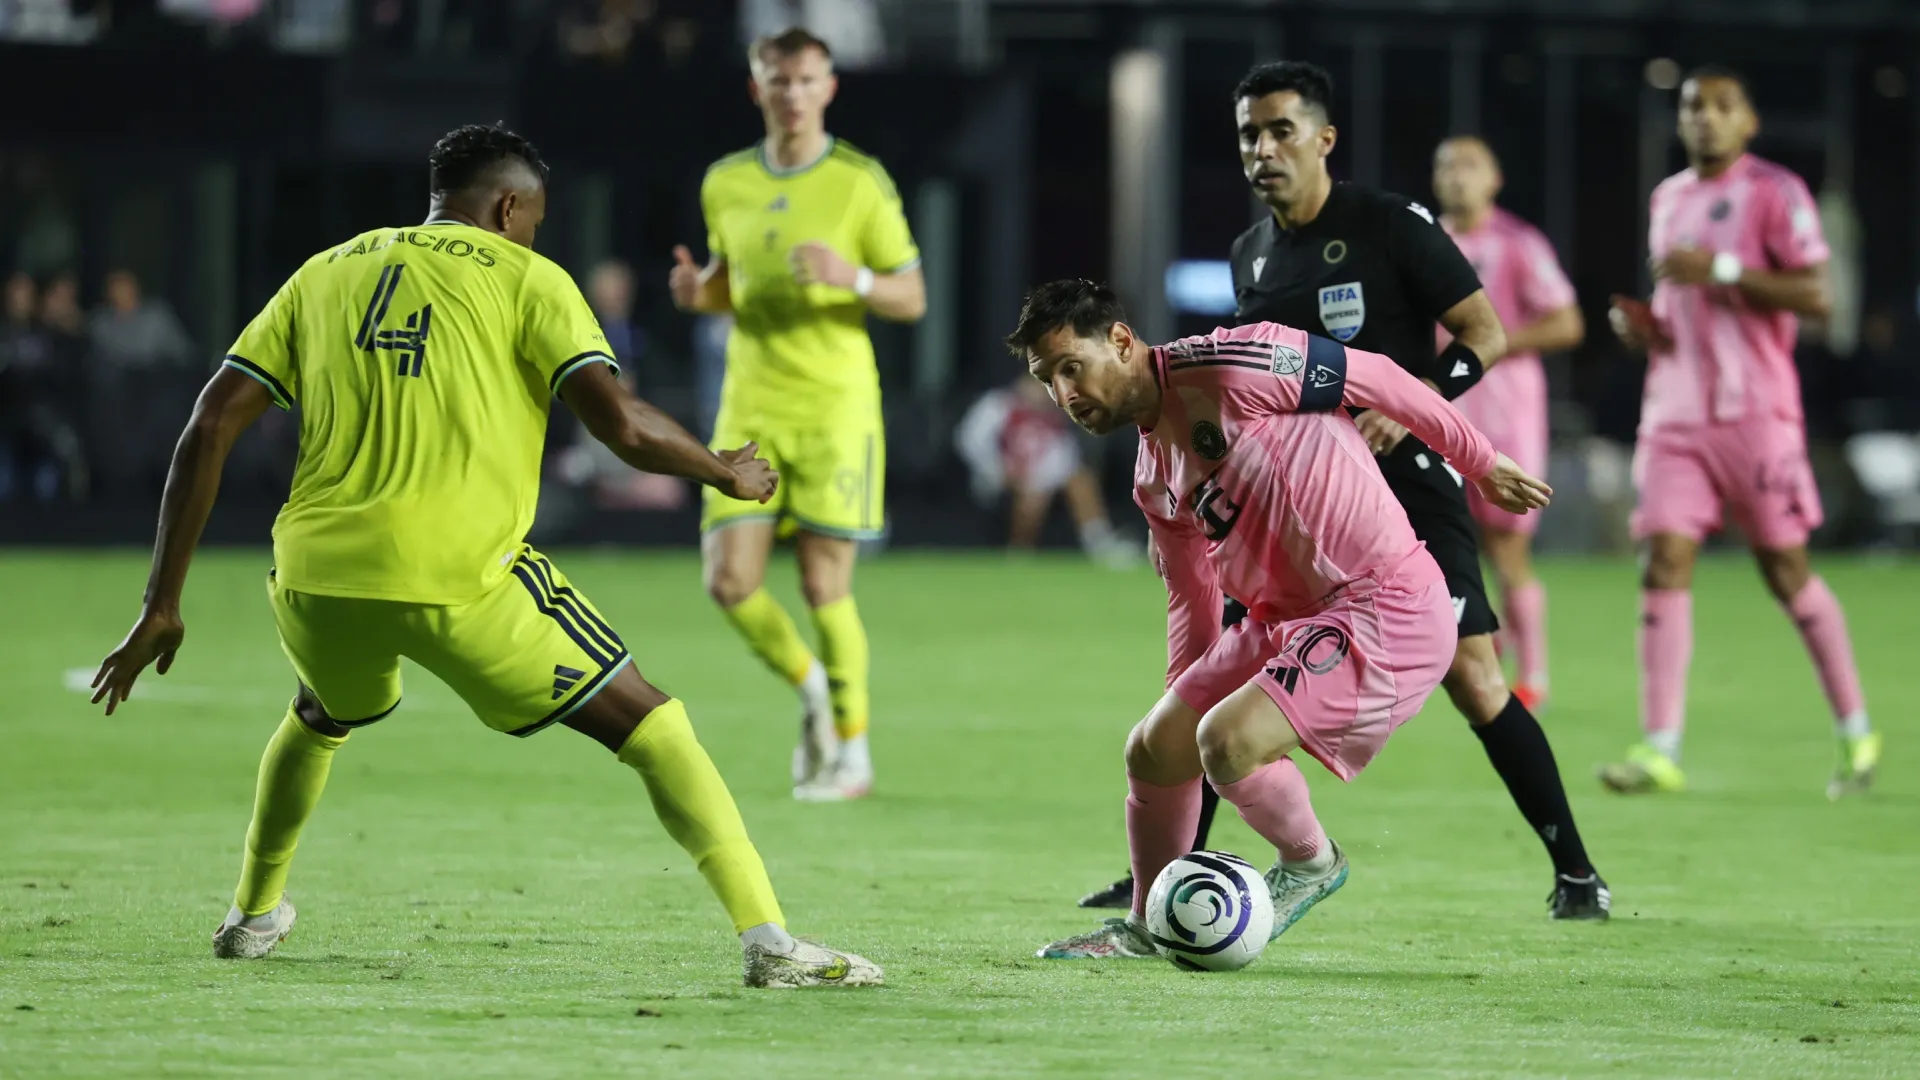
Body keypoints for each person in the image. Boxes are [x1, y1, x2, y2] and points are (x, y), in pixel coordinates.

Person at [88, 124, 881, 989]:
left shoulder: (325, 271)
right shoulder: (529, 277)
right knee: (656, 725)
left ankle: (248, 915)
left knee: (320, 713)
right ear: (510, 207)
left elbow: (210, 423)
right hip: (461, 580)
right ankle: (771, 943)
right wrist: (720, 469)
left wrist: (161, 601)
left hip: (315, 580)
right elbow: (619, 424)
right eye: (534, 218)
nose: (535, 233)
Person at [1079, 61, 1607, 919]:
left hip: (1402, 479)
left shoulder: (1388, 223)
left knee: (1476, 680)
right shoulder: (1251, 254)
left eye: (1282, 129)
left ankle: (1577, 870)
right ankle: (1180, 869)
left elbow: (1485, 332)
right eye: (1250, 133)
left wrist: (1423, 408)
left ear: (1324, 139)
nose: (1263, 148)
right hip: (1295, 512)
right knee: (1227, 675)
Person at [1005, 281, 1552, 959]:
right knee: (1153, 747)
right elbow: (1192, 599)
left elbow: (1378, 377)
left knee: (1229, 743)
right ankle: (1148, 926)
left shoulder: (1233, 365)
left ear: (1120, 341)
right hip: (1283, 622)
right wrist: (1185, 699)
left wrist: (1479, 460)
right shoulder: (1153, 473)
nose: (1064, 395)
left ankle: (1311, 862)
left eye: (1070, 368)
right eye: (1047, 380)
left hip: (1382, 608)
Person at [1602, 66, 1878, 799]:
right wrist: (1646, 329)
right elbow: (1682, 312)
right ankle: (1659, 748)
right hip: (1674, 416)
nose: (1706, 120)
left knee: (1785, 572)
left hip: (1756, 414)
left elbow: (1820, 294)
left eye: (1723, 107)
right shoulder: (1668, 199)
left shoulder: (1774, 193)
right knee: (1662, 560)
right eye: (1694, 108)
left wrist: (1722, 266)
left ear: (1748, 122)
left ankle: (1856, 730)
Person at [670, 27, 926, 801]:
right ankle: (813, 687)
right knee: (728, 581)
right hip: (751, 403)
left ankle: (853, 753)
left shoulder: (860, 182)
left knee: (824, 585)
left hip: (835, 406)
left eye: (807, 79)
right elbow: (730, 281)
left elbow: (912, 296)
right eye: (778, 80)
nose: (792, 93)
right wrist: (699, 293)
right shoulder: (726, 182)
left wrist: (851, 277)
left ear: (829, 87)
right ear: (758, 88)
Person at [1433, 135, 1586, 710]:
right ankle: (1473, 657)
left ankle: (1535, 676)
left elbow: (1567, 322)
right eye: (1446, 165)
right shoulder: (1427, 241)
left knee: (1507, 547)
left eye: (1469, 164)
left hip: (1506, 413)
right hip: (1439, 411)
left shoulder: (1520, 244)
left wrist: (1488, 344)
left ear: (1494, 179)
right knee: (1441, 540)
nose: (1456, 176)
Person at [954, 375, 1141, 564]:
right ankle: (1019, 551)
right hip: (994, 476)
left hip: (1038, 476)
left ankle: (1099, 543)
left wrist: (1044, 478)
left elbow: (1062, 457)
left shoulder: (1051, 415)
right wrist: (999, 470)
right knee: (1032, 494)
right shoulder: (997, 405)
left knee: (1078, 481)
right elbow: (969, 441)